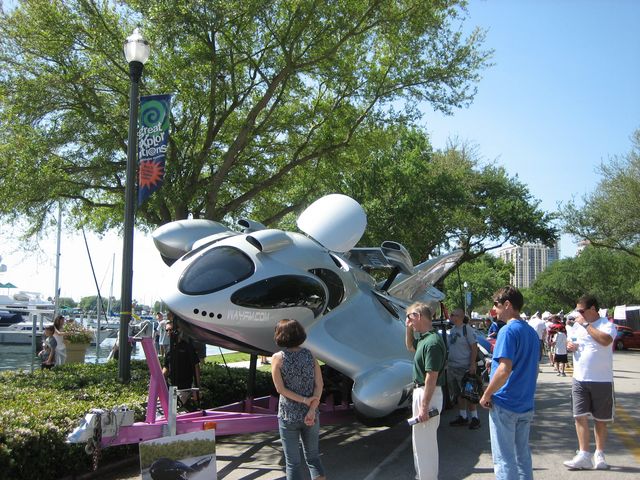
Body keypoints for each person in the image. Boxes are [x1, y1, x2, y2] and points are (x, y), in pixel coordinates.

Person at [479, 286, 539, 480]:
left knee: (504, 459)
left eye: (496, 304)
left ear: (507, 304)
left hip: (505, 402)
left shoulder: (507, 331)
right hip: (525, 402)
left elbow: (504, 370)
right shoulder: (531, 332)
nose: (494, 309)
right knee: (522, 457)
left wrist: (487, 394)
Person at [563, 294, 616, 471]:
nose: (578, 314)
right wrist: (570, 346)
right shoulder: (577, 326)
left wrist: (586, 325)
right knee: (579, 416)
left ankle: (599, 454)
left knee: (600, 420)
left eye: (581, 310)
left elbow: (605, 341)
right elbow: (572, 341)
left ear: (593, 309)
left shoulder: (607, 325)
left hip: (601, 379)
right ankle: (584, 455)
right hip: (579, 378)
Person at [271, 319, 325, 480]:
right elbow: (319, 384)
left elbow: (280, 389)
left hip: (288, 415)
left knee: (293, 463)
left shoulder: (277, 358)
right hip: (311, 415)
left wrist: (304, 400)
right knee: (313, 458)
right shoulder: (310, 355)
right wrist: (312, 408)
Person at [405, 302, 446, 480]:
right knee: (420, 443)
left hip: (427, 393)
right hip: (423, 393)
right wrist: (408, 329)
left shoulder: (432, 342)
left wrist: (424, 407)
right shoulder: (425, 339)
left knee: (425, 445)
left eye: (410, 317)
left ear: (419, 316)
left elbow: (431, 377)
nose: (408, 321)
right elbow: (410, 346)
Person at [447, 308, 481, 430]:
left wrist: (472, 364)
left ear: (460, 317)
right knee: (459, 394)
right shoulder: (452, 330)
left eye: (453, 315)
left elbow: (474, 347)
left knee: (469, 394)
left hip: (464, 367)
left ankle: (475, 418)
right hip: (453, 367)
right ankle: (463, 416)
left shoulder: (467, 330)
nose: (451, 316)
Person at [163, 323, 201, 406]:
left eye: (170, 330)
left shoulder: (187, 347)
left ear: (178, 330)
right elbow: (166, 367)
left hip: (184, 388)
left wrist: (197, 388)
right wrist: (160, 380)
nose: (168, 332)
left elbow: (196, 366)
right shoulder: (169, 348)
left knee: (178, 409)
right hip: (171, 388)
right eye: (167, 330)